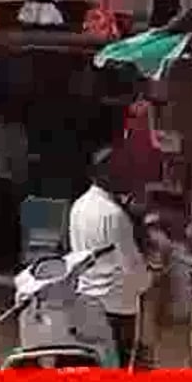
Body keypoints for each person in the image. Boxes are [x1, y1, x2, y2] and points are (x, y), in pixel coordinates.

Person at [68, 147, 153, 367]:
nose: (128, 177)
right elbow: (132, 268)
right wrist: (149, 278)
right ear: (107, 174)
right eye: (123, 171)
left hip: (86, 303)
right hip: (116, 309)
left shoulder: (78, 206)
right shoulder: (114, 215)